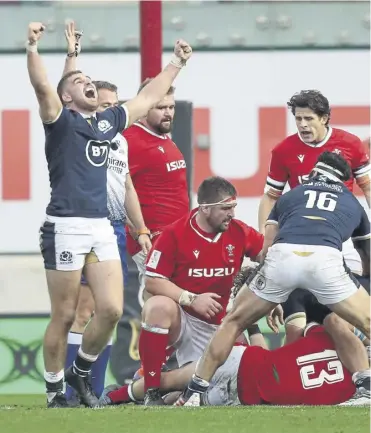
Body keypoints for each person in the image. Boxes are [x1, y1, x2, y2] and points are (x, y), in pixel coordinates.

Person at [27, 21, 192, 408]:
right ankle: (54, 392)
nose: (87, 82)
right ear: (67, 96)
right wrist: (33, 47)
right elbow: (41, 86)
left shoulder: (107, 123)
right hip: (65, 226)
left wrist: (177, 63)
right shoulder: (59, 122)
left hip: (101, 225)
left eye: (89, 79)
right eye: (79, 79)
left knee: (113, 310)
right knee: (65, 314)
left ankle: (79, 372)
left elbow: (148, 96)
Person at [177, 151, 370, 404]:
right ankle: (366, 386)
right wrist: (361, 285)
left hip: (283, 258)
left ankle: (195, 391)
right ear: (345, 182)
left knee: (233, 321)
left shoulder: (290, 196)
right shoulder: (352, 202)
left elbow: (266, 248)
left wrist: (269, 294)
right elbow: (366, 255)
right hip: (326, 263)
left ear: (313, 173)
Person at [60, 23, 151, 401]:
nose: (112, 111)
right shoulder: (77, 130)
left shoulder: (120, 143)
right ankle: (67, 391)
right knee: (84, 310)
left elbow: (127, 186)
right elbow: (65, 93)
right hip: (83, 224)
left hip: (115, 228)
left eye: (116, 106)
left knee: (109, 312)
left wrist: (141, 229)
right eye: (106, 104)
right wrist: (72, 52)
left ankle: (91, 389)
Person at [139, 176, 264, 405]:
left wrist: (270, 297)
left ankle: (131, 395)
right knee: (157, 306)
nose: (232, 214)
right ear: (205, 208)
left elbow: (268, 256)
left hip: (221, 324)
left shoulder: (239, 232)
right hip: (185, 320)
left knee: (245, 376)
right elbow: (153, 281)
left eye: (233, 208)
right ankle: (151, 391)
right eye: (226, 208)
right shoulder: (174, 234)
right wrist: (191, 299)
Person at [99, 322, 369, 407]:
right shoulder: (353, 393)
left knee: (171, 382)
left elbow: (295, 331)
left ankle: (113, 398)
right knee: (173, 400)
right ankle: (135, 395)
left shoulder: (326, 334)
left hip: (241, 363)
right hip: (247, 398)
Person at [258, 89, 370, 280]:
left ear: (324, 118)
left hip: (340, 233)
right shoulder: (283, 150)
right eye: (298, 119)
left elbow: (367, 187)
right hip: (300, 233)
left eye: (308, 119)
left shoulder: (350, 144)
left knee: (354, 288)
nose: (303, 125)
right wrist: (263, 237)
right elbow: (270, 196)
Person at [124, 78, 189, 306]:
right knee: (161, 299)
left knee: (176, 305)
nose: (168, 113)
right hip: (153, 238)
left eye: (171, 107)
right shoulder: (130, 140)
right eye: (161, 107)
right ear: (144, 107)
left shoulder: (164, 137)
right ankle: (149, 339)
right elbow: (115, 188)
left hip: (176, 236)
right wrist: (139, 230)